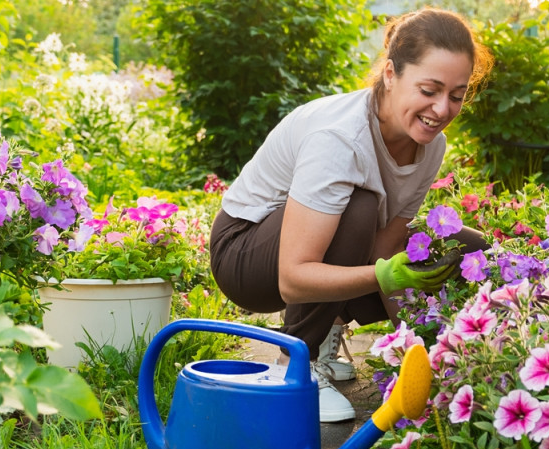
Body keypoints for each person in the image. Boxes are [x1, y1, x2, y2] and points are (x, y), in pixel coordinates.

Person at [209, 7, 494, 423]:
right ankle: (296, 362)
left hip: (327, 244)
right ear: (392, 74)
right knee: (358, 209)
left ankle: (328, 327)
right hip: (246, 255)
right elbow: (292, 276)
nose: (442, 108)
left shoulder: (432, 144)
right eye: (429, 89)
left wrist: (417, 358)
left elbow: (387, 247)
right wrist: (384, 276)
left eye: (456, 94)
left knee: (464, 248)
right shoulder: (340, 138)